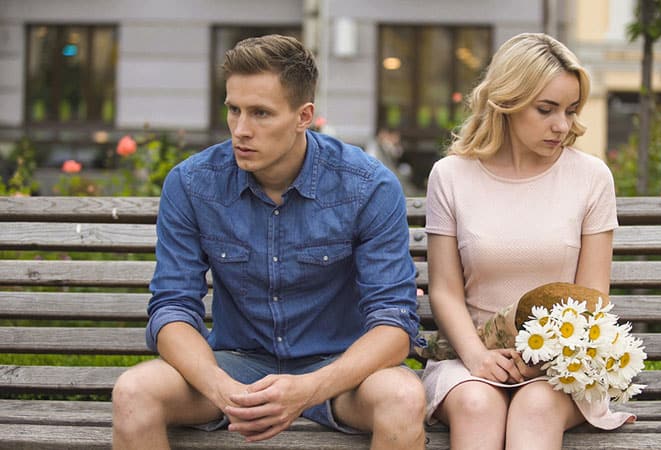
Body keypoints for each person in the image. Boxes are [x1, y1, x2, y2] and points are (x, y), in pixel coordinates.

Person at [111, 34, 426, 449]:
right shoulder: (192, 184)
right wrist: (222, 389)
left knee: (403, 398)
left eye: (261, 113)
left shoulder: (367, 187)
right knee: (134, 394)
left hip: (341, 374)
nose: (242, 130)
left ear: (304, 115)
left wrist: (308, 389)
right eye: (234, 110)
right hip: (236, 366)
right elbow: (172, 308)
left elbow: (393, 322)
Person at [422, 32, 634, 450]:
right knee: (477, 405)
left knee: (535, 406)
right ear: (507, 101)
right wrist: (478, 358)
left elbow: (593, 296)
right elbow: (445, 290)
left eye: (571, 110)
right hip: (472, 354)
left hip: (565, 360)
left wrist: (546, 358)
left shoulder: (591, 178)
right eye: (546, 109)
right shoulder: (450, 176)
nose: (563, 125)